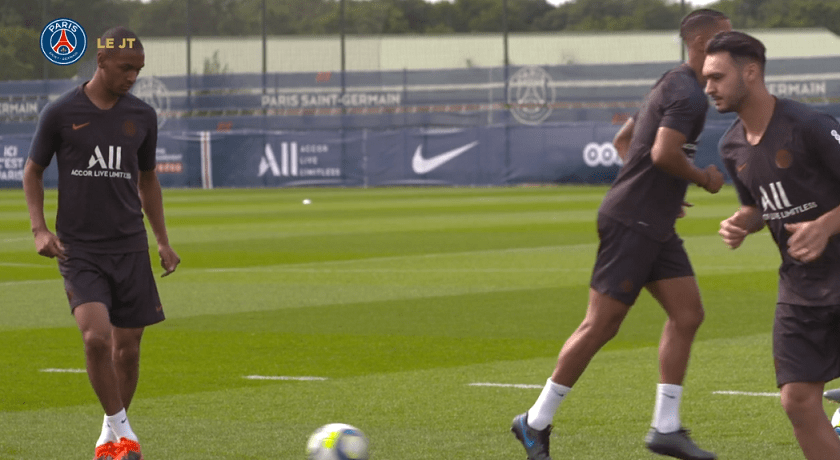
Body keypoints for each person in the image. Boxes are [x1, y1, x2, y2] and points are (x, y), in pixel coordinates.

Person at [510, 9, 731, 460]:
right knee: (601, 325)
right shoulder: (690, 95)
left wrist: (666, 192)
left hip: (652, 221)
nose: (731, 49)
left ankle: (665, 428)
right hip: (633, 222)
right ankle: (534, 422)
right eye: (726, 42)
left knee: (687, 314)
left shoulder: (671, 82)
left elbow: (624, 141)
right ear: (703, 43)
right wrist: (701, 179)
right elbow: (664, 152)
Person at [23, 26, 179, 460]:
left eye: (139, 70)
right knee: (96, 338)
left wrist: (162, 241)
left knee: (127, 350)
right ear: (101, 61)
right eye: (126, 68)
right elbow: (32, 172)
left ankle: (108, 437)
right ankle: (125, 434)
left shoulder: (143, 116)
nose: (133, 76)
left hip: (130, 248)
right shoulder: (59, 113)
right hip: (80, 250)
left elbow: (148, 181)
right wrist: (39, 230)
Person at [706, 30, 840, 460]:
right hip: (801, 289)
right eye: (705, 78)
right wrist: (743, 222)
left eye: (717, 76)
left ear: (750, 72)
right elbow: (759, 205)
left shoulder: (810, 125)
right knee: (797, 400)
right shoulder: (730, 145)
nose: (708, 87)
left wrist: (826, 225)